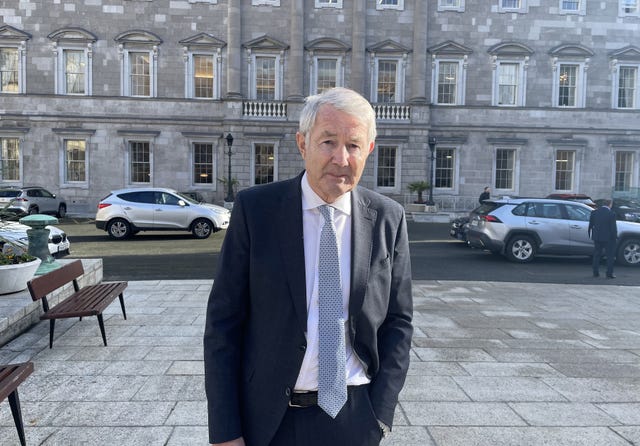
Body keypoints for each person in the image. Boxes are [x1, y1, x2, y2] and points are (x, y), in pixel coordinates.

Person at [203, 87, 414, 446]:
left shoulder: (387, 218)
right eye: (328, 142)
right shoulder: (257, 211)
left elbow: (398, 321)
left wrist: (380, 414)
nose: (341, 158)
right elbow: (224, 323)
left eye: (354, 145)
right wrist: (226, 430)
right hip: (269, 420)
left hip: (354, 417)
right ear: (303, 144)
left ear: (369, 150)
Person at [588, 199, 618, 278]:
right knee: (610, 256)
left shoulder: (594, 212)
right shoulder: (611, 214)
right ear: (610, 204)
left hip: (597, 237)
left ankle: (595, 272)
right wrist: (615, 237)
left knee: (597, 255)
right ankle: (609, 273)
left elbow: (591, 225)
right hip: (608, 238)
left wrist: (592, 234)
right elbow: (613, 228)